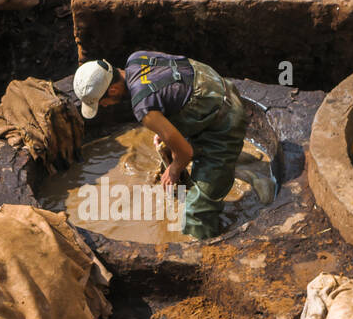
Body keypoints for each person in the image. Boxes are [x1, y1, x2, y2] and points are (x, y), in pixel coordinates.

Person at [72, 51, 247, 240]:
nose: (105, 106)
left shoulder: (143, 108)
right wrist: (165, 133)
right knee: (163, 145)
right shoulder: (137, 59)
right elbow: (173, 88)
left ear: (113, 90)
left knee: (196, 214)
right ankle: (189, 186)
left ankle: (207, 251)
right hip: (220, 88)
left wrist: (173, 170)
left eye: (102, 102)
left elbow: (186, 153)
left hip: (225, 122)